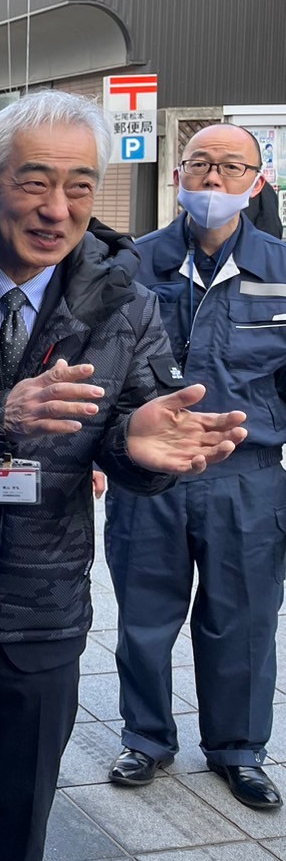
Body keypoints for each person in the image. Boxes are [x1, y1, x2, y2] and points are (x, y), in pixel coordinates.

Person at [0, 90, 249, 861]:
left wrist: (139, 450)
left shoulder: (123, 300)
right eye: (33, 182)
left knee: (15, 813)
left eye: (78, 185)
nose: (56, 209)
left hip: (42, 602)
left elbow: (133, 435)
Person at [105, 124, 286, 810]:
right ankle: (144, 739)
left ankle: (237, 750)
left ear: (255, 182)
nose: (212, 180)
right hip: (148, 471)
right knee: (143, 615)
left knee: (241, 619)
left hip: (247, 474)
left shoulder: (278, 266)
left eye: (229, 167)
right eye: (199, 165)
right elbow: (103, 367)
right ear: (177, 173)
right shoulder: (129, 265)